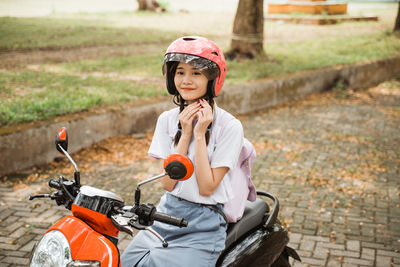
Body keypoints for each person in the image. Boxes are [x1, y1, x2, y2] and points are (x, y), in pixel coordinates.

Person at [121, 36, 244, 267]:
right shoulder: (167, 120)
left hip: (203, 224)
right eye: (180, 72)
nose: (186, 80)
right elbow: (168, 184)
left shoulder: (230, 126)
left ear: (212, 79)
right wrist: (184, 134)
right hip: (165, 214)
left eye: (196, 73)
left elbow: (207, 188)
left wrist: (199, 134)